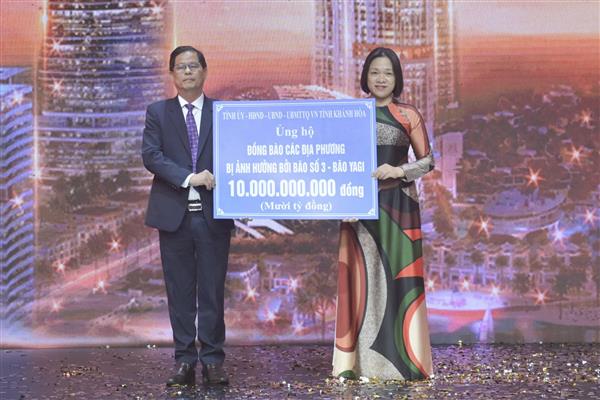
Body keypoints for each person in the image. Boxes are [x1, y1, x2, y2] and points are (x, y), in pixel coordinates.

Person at [332, 47, 434, 381]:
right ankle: (357, 364)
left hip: (399, 208)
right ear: (366, 76)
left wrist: (399, 171)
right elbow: (338, 159)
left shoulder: (408, 114)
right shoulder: (352, 114)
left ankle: (404, 362)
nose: (380, 78)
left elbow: (428, 161)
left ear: (396, 78)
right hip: (358, 208)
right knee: (360, 281)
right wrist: (342, 202)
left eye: (387, 73)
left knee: (399, 281)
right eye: (375, 72)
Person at [142, 45, 234, 387]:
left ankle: (212, 360)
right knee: (179, 293)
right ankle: (184, 360)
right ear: (172, 74)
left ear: (205, 71)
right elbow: (151, 156)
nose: (188, 72)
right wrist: (190, 178)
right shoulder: (158, 112)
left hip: (213, 216)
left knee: (212, 292)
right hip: (174, 217)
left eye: (194, 66)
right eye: (181, 67)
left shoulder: (222, 113)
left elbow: (238, 155)